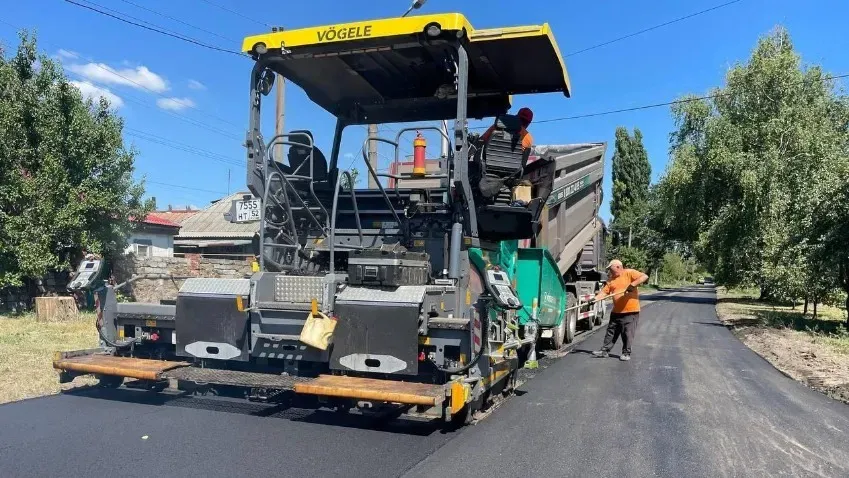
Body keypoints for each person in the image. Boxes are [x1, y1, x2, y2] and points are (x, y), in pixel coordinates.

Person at [591, 259, 649, 361]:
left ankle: (626, 353)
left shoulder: (629, 273)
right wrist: (595, 299)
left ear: (618, 267)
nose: (610, 271)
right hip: (616, 311)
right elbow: (604, 292)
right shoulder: (611, 280)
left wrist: (632, 285)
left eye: (611, 269)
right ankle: (604, 351)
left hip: (630, 311)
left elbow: (644, 276)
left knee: (627, 333)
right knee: (611, 332)